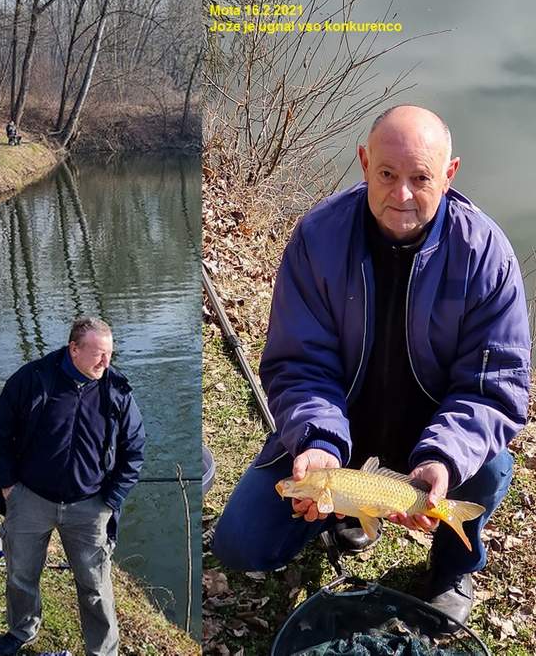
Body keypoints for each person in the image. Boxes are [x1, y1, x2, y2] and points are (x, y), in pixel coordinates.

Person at [211, 105, 531, 626]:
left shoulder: (486, 255)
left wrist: (445, 458)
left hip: (432, 431)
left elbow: (494, 389)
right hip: (339, 432)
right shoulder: (319, 237)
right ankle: (344, 514)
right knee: (241, 544)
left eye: (421, 178)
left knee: (490, 465)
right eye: (387, 174)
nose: (401, 195)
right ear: (363, 163)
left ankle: (454, 565)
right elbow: (298, 364)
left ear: (449, 175)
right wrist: (316, 442)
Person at [0, 317, 146, 656]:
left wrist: (111, 500)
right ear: (74, 349)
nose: (106, 362)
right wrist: (8, 483)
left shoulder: (116, 391)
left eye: (110, 354)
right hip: (30, 498)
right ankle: (21, 630)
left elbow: (135, 450)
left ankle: (103, 651)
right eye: (99, 354)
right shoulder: (33, 378)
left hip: (90, 506)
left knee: (96, 587)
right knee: (21, 574)